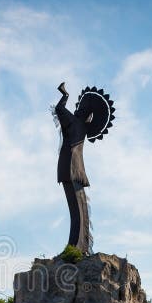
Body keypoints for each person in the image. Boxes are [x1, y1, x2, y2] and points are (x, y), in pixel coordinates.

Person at [55, 82, 93, 254]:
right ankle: (78, 247)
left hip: (69, 168)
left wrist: (65, 96)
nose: (77, 109)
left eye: (80, 108)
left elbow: (60, 109)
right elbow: (60, 111)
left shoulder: (76, 123)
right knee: (78, 211)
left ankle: (77, 247)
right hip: (74, 170)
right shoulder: (80, 126)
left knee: (77, 211)